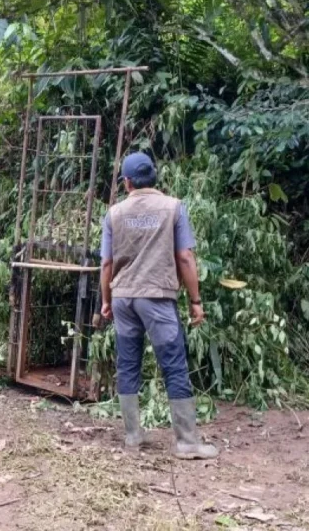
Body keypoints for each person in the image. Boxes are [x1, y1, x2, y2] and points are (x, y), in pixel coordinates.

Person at [100, 152, 218, 460]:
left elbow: (107, 263)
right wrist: (195, 301)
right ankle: (188, 442)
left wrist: (106, 301)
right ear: (155, 177)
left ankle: (132, 435)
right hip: (157, 298)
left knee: (128, 363)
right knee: (173, 363)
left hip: (124, 298)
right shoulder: (173, 208)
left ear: (126, 183)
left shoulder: (114, 214)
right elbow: (185, 258)